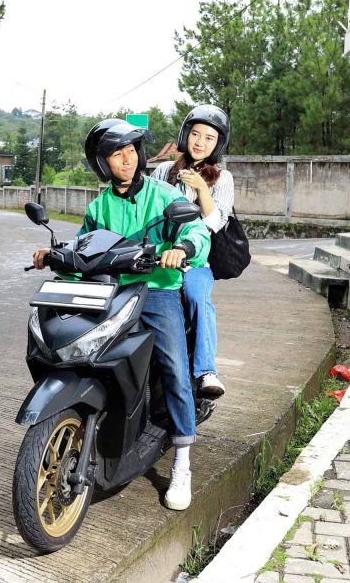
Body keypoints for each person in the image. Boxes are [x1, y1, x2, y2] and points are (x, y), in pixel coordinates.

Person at [32, 119, 211, 511]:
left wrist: (181, 249)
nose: (127, 160)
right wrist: (55, 255)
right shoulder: (99, 207)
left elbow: (198, 232)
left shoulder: (164, 195)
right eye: (117, 154)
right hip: (109, 291)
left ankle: (182, 459)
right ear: (103, 163)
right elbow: (83, 249)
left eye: (131, 151)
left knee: (175, 368)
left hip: (157, 290)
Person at [151, 105, 233, 399]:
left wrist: (202, 189)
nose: (200, 142)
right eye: (196, 134)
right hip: (158, 257)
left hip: (196, 261)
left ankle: (206, 371)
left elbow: (214, 223)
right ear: (185, 135)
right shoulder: (163, 171)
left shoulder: (222, 178)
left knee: (198, 297)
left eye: (209, 138)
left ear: (218, 144)